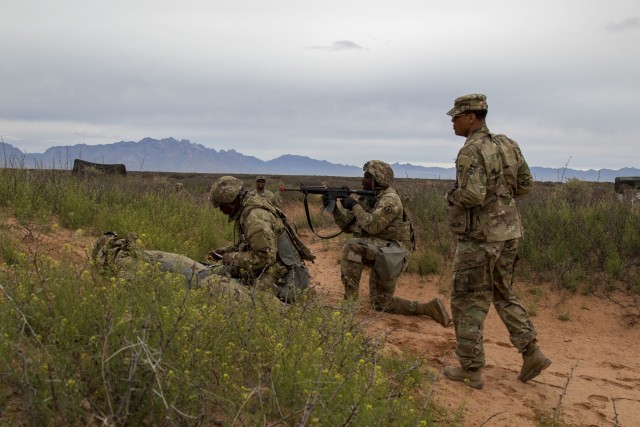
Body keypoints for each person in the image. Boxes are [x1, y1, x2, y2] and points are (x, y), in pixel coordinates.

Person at [443, 93, 551, 389]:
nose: (452, 121)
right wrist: (502, 198)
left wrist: (451, 196)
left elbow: (472, 195)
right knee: (504, 293)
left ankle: (471, 369)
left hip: (480, 238)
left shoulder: (471, 150)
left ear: (472, 118)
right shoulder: (508, 144)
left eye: (456, 116)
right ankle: (532, 353)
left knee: (467, 300)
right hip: (510, 234)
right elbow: (526, 185)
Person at [326, 160, 451, 326]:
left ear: (379, 178)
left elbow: (372, 226)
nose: (362, 180)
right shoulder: (369, 198)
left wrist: (354, 205)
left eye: (367, 177)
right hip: (382, 250)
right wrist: (333, 207)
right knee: (381, 303)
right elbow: (347, 226)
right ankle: (428, 309)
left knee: (352, 246)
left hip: (395, 253)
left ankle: (350, 304)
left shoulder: (390, 199)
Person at [209, 175, 314, 302]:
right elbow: (250, 244)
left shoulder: (255, 218)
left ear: (232, 201)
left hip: (287, 273)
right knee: (225, 272)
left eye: (222, 206)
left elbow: (264, 258)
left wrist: (230, 257)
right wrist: (226, 251)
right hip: (275, 262)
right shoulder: (247, 208)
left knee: (253, 295)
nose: (221, 210)